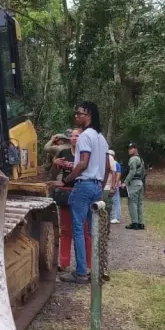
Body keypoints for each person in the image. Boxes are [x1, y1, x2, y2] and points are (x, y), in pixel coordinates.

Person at [60, 101, 108, 285]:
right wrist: (100, 184)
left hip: (84, 184)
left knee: (78, 229)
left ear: (88, 115)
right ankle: (93, 269)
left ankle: (80, 272)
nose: (76, 116)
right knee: (93, 228)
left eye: (79, 113)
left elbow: (83, 162)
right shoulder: (101, 138)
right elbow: (105, 165)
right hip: (96, 185)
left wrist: (67, 179)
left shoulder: (85, 137)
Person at [124, 142, 146, 230]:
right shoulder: (141, 159)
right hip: (140, 182)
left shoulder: (133, 159)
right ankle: (140, 223)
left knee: (132, 202)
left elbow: (132, 171)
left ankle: (135, 223)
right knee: (139, 203)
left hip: (134, 182)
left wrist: (125, 181)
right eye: (129, 148)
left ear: (135, 149)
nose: (129, 150)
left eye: (131, 148)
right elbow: (143, 173)